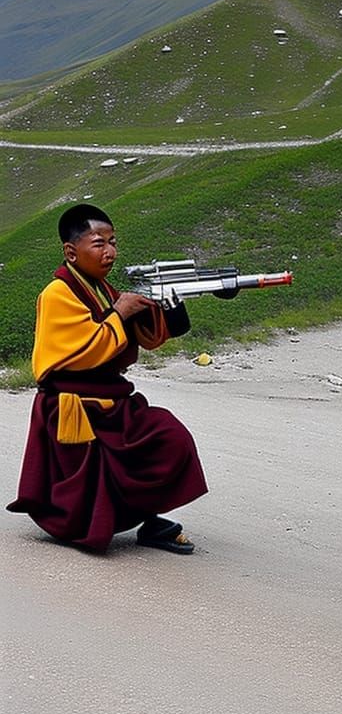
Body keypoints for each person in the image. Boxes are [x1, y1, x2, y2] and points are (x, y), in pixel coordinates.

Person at [8, 203, 207, 553]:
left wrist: (173, 308)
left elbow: (143, 337)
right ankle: (89, 525)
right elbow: (86, 349)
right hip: (73, 407)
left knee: (169, 437)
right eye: (98, 243)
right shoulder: (57, 294)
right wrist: (120, 312)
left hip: (113, 400)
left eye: (113, 242)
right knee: (91, 480)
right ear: (71, 251)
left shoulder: (103, 288)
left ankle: (147, 517)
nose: (110, 252)